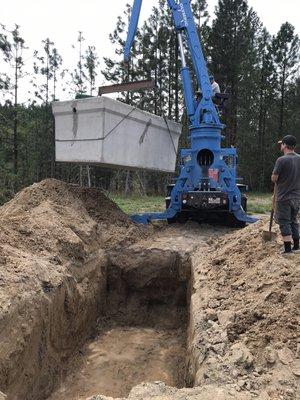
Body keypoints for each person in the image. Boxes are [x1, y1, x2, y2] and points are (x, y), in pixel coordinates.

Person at [271, 135, 300, 255]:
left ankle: (287, 249)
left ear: (284, 145)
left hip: (283, 197)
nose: (280, 146)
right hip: (297, 196)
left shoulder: (281, 160)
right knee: (293, 220)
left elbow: (274, 178)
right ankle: (296, 247)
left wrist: (275, 176)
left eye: (281, 144)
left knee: (284, 221)